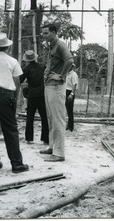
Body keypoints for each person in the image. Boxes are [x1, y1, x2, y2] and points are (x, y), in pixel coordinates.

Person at [0, 33, 29, 174]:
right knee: (10, 131)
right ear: (8, 47)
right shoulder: (12, 61)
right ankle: (16, 164)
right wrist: (14, 98)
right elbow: (17, 82)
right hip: (5, 96)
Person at [40, 23, 74, 162]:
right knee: (50, 118)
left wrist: (61, 75)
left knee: (58, 119)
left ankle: (59, 153)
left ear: (54, 32)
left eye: (46, 33)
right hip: (49, 85)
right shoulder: (51, 46)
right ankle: (52, 146)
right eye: (43, 33)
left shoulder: (60, 45)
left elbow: (70, 60)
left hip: (56, 86)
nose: (44, 35)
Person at [20, 50, 49, 144]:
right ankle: (45, 138)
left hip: (32, 94)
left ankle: (29, 137)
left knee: (30, 116)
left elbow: (20, 80)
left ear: (27, 59)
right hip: (42, 94)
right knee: (44, 116)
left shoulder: (26, 69)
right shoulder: (42, 67)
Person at [65, 63, 78, 132]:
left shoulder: (73, 74)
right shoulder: (67, 74)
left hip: (69, 92)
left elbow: (74, 85)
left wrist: (72, 94)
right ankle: (68, 125)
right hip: (65, 91)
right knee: (66, 109)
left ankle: (71, 126)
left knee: (69, 110)